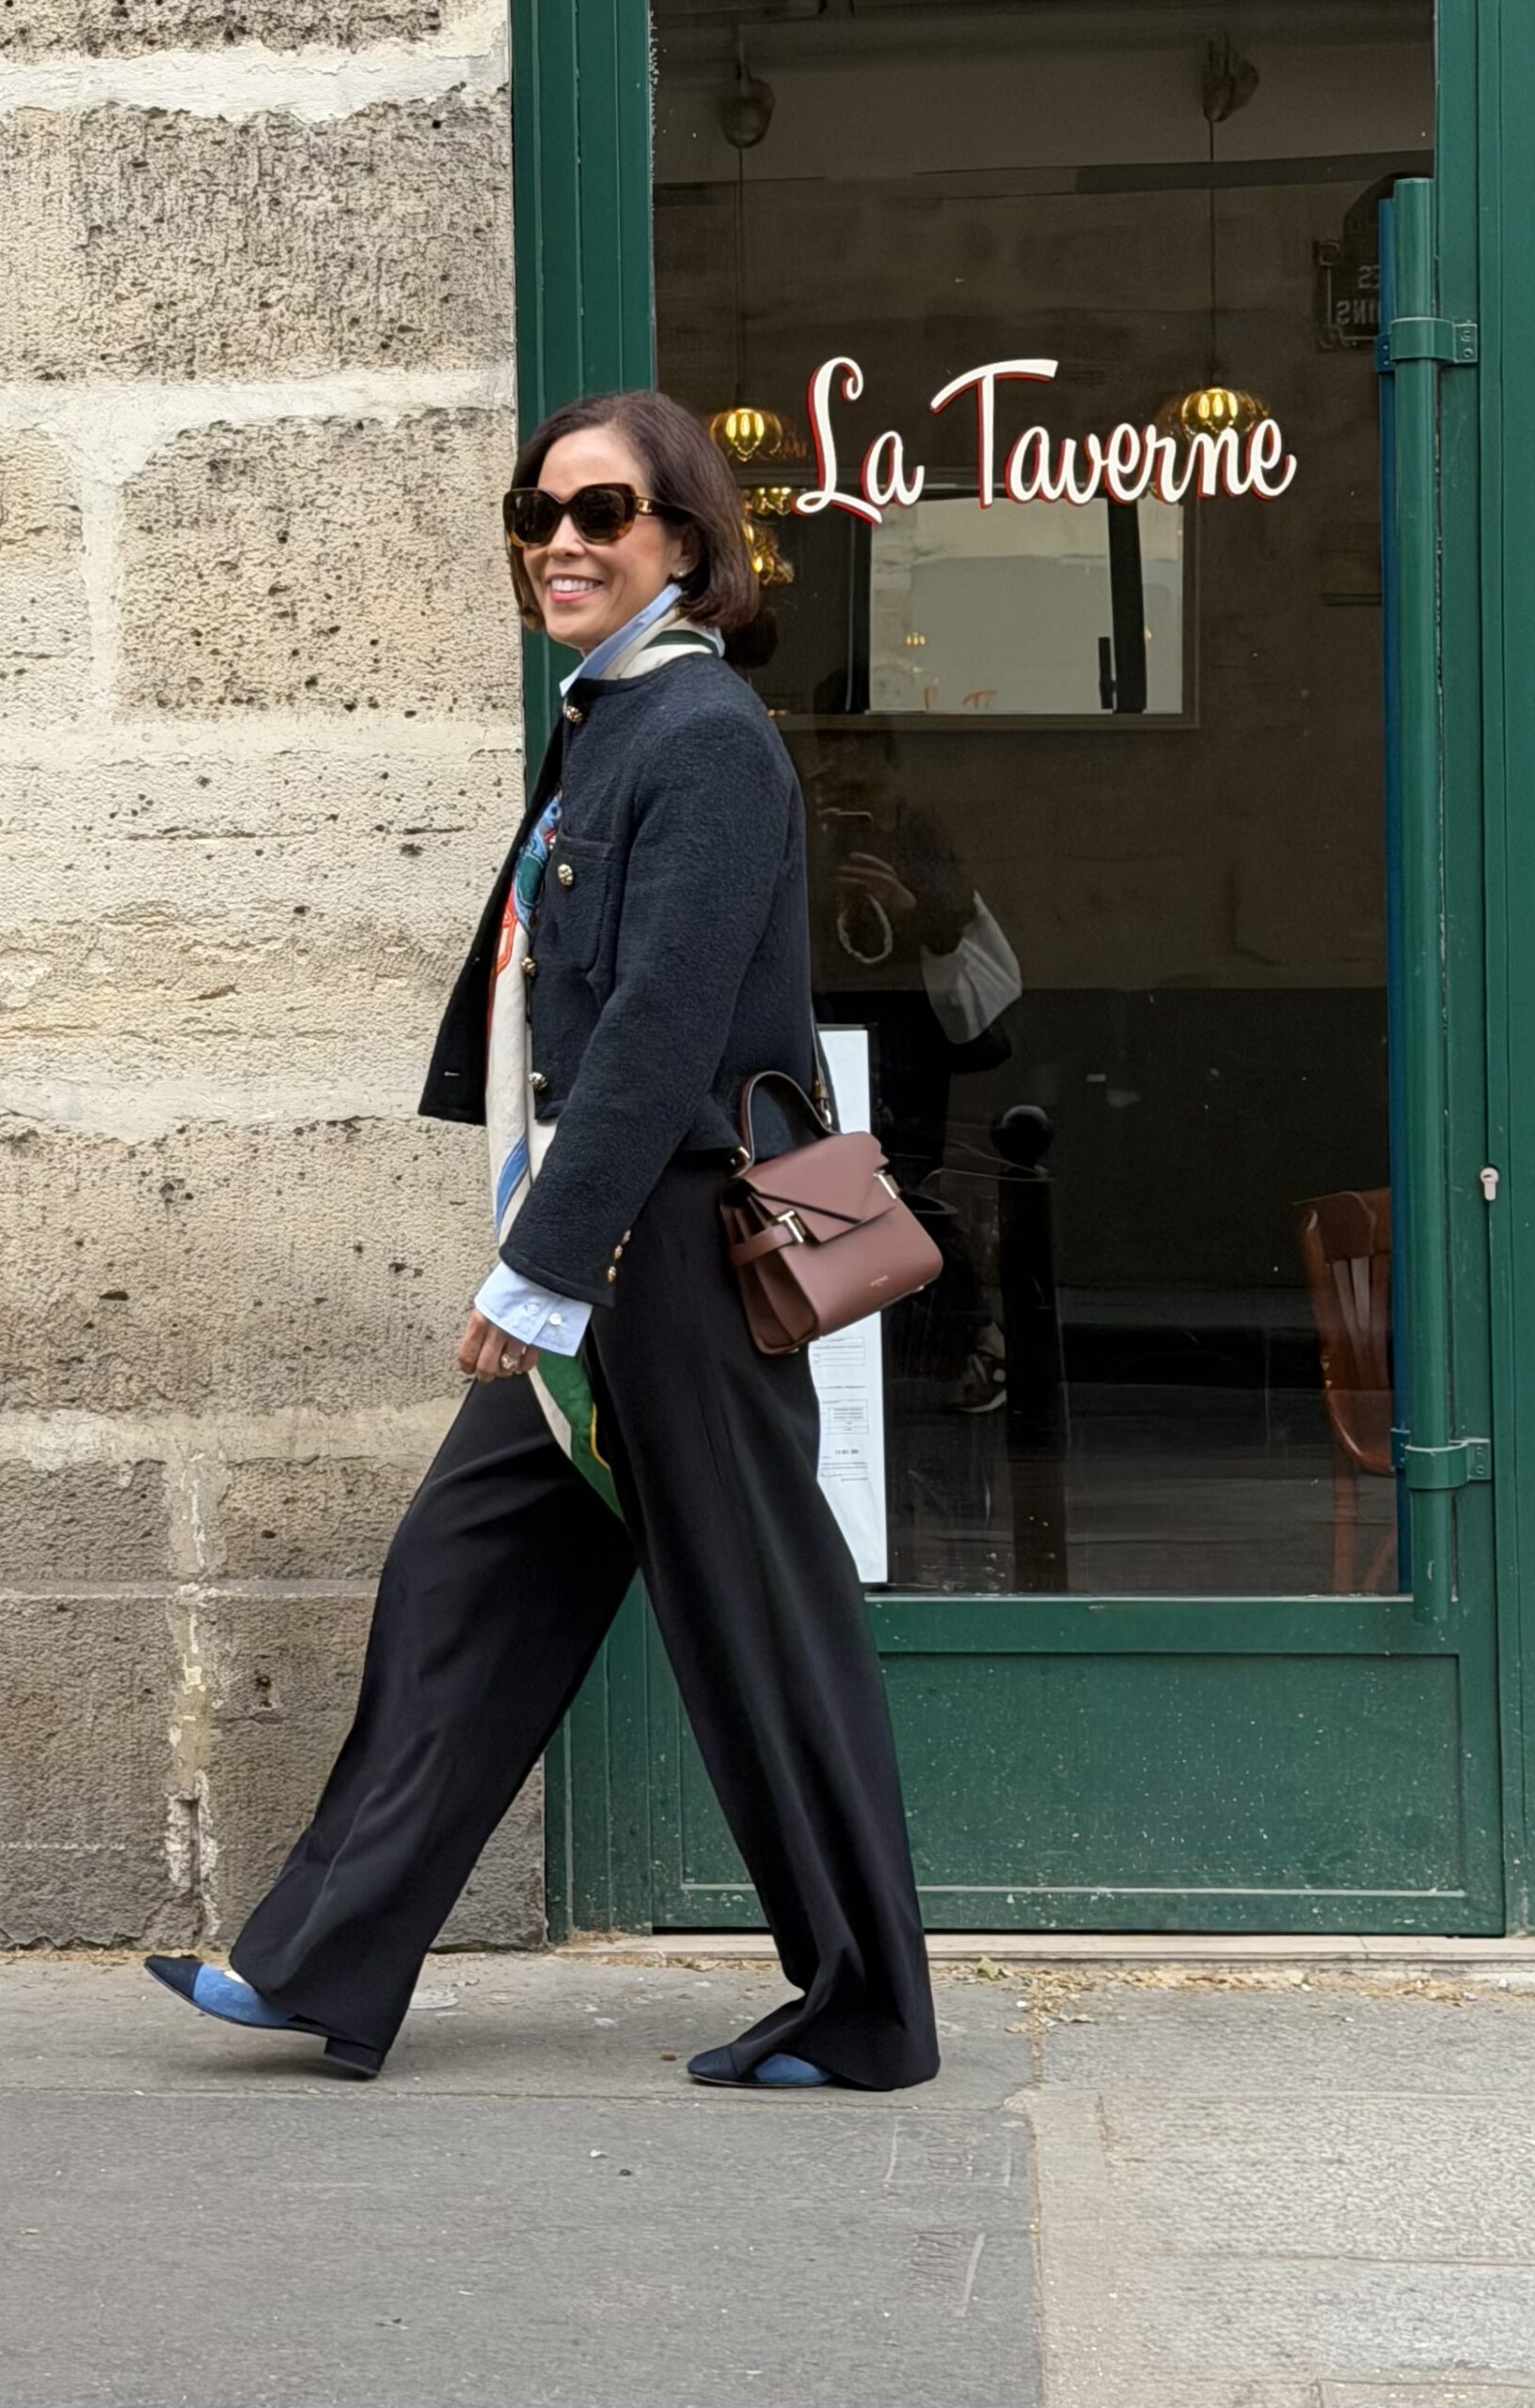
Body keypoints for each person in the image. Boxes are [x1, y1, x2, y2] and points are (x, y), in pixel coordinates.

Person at [142, 388, 941, 2094]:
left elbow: (660, 1034)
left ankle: (870, 2012)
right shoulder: (614, 723)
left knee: (757, 1626)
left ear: (686, 545)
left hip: (660, 1271)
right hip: (605, 1262)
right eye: (538, 511)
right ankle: (319, 1968)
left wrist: (541, 1266)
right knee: (464, 1577)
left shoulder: (703, 733)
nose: (560, 540)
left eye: (603, 513)